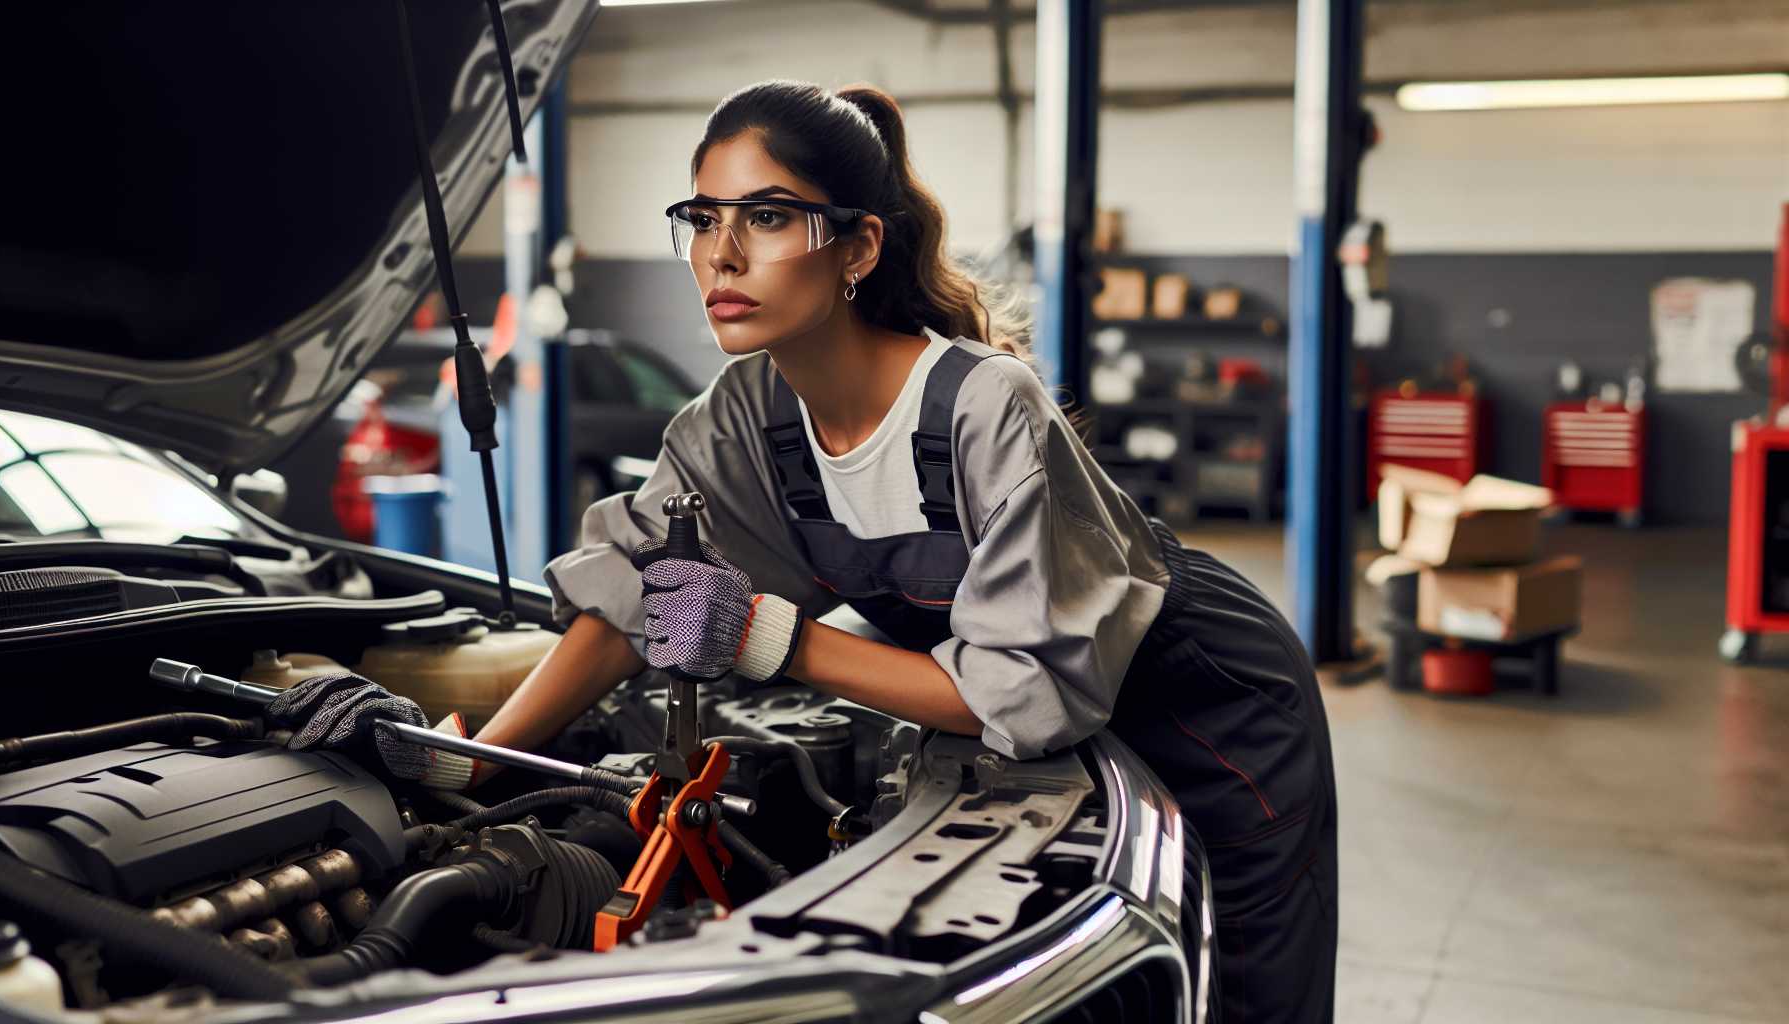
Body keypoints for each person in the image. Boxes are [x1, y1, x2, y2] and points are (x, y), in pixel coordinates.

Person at [470, 80, 1337, 1022]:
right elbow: (631, 601)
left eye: (766, 217)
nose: (720, 254)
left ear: (859, 247)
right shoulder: (740, 419)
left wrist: (773, 637)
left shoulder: (982, 405)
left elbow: (1021, 695)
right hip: (1032, 715)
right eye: (702, 217)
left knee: (1239, 984)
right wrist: (470, 764)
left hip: (1206, 702)